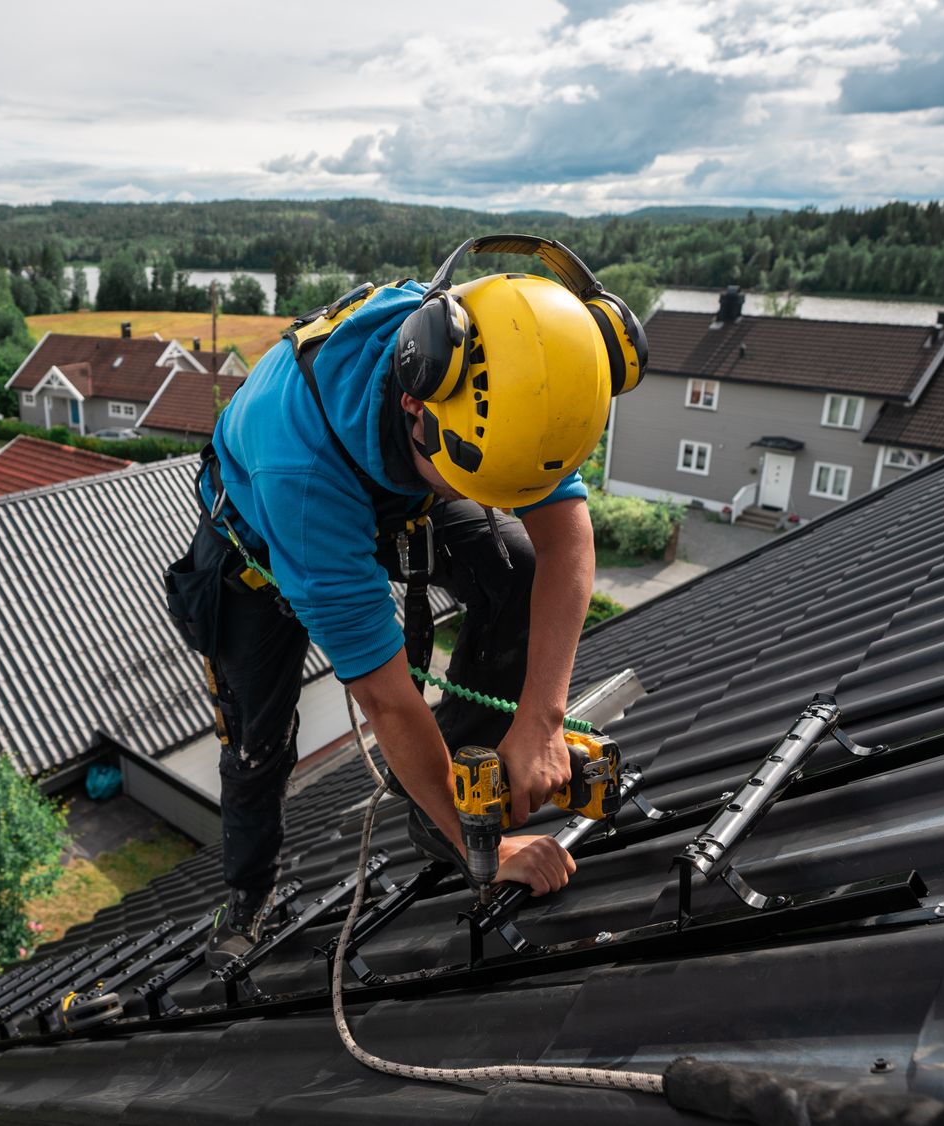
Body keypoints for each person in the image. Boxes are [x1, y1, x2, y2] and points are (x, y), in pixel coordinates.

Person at [162, 235, 647, 963]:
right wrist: (485, 847)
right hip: (256, 555)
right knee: (259, 745)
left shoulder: (507, 367)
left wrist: (541, 720)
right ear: (415, 404)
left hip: (386, 486)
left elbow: (566, 542)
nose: (483, 502)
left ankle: (462, 776)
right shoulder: (302, 475)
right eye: (471, 484)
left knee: (514, 568)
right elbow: (387, 699)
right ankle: (248, 895)